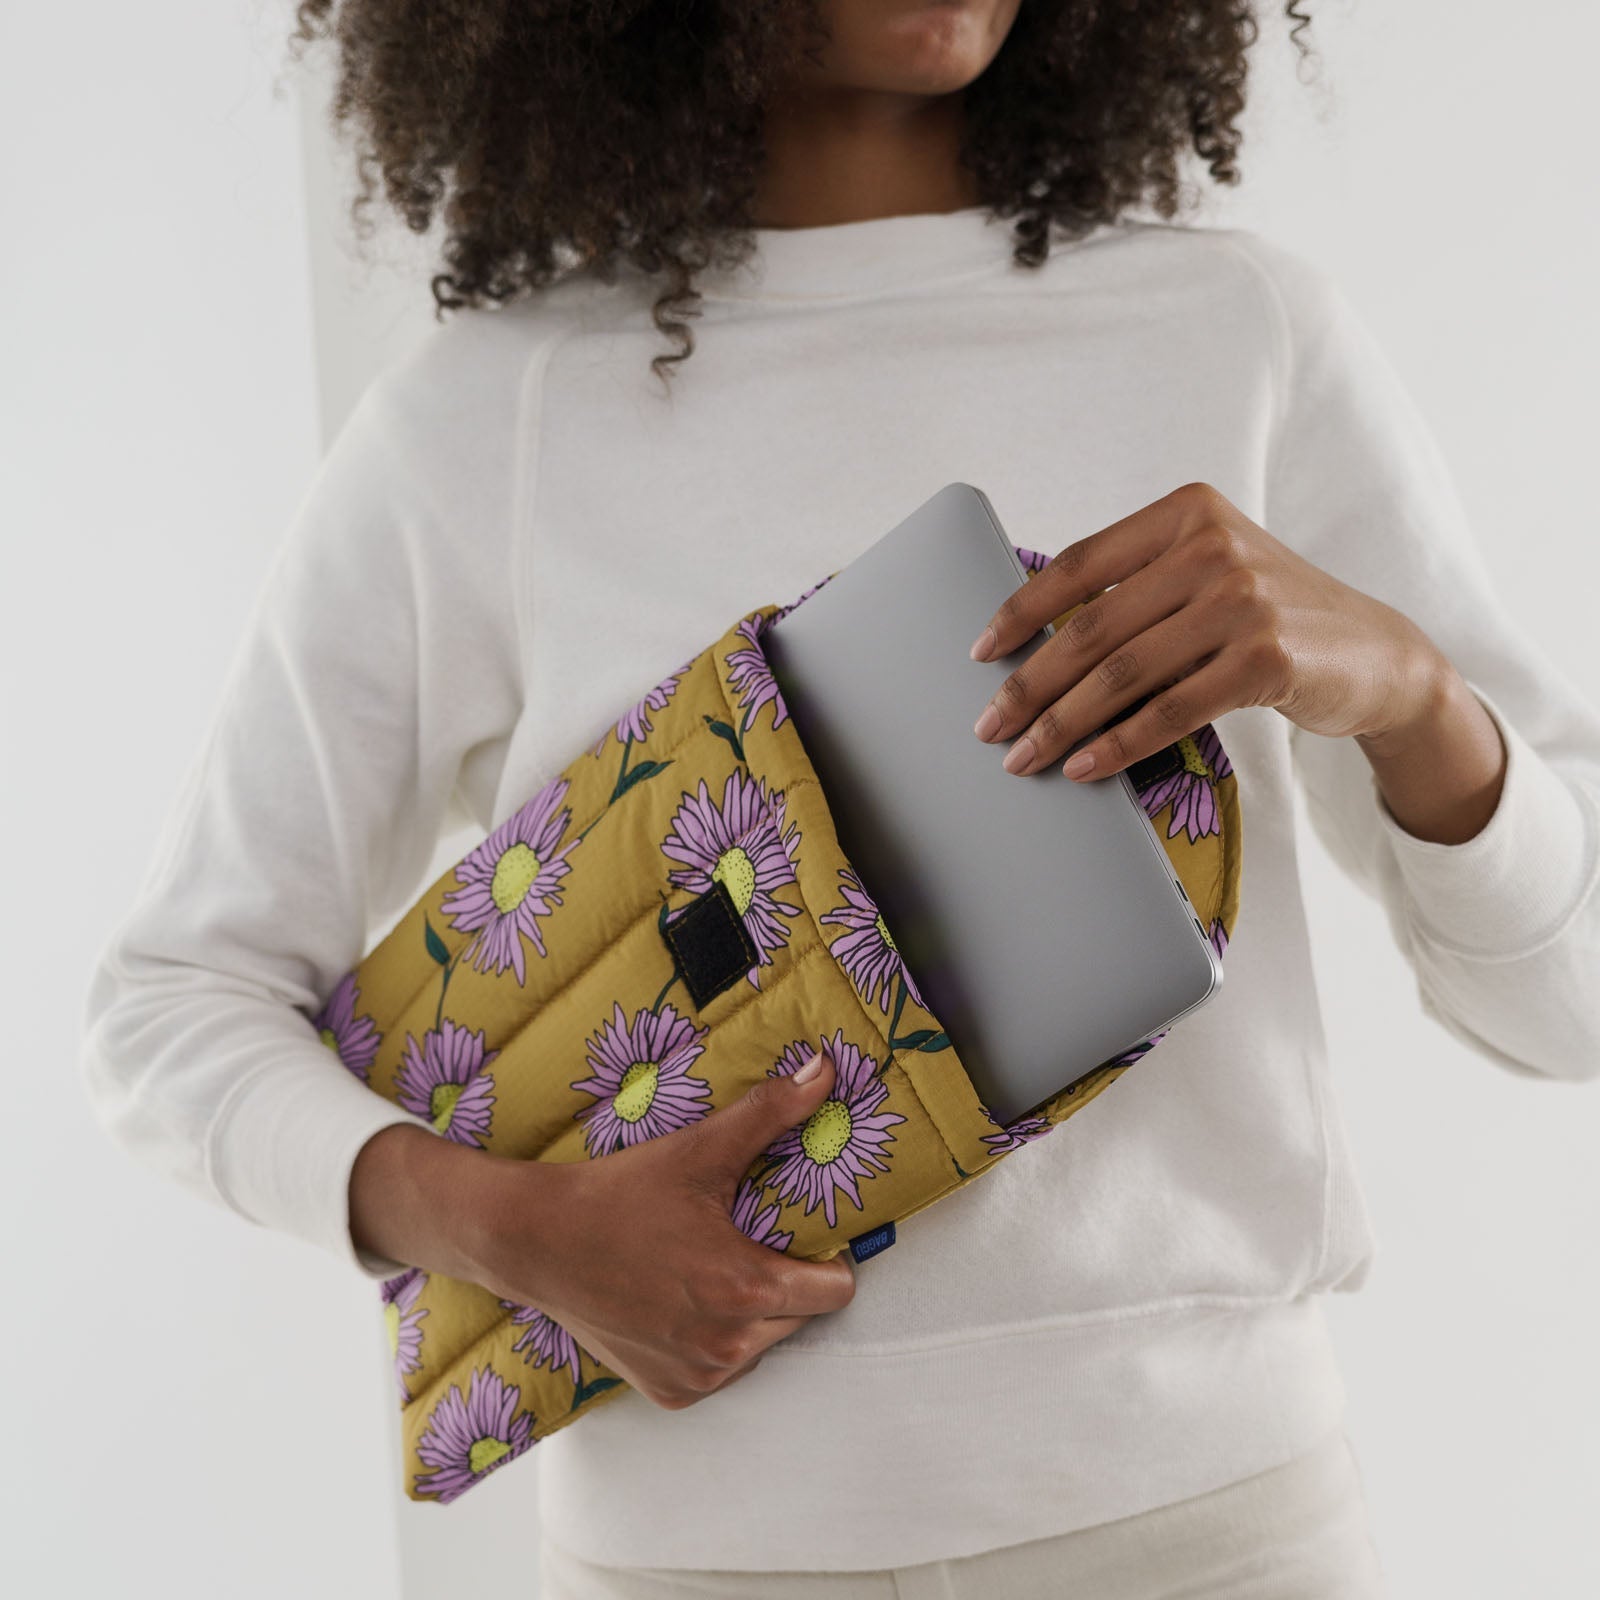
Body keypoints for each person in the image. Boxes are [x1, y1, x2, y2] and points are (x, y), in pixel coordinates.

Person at [80, 1, 1600, 1596]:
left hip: (1217, 1533)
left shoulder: (1241, 335)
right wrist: (507, 1232)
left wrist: (1423, 702)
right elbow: (171, 1004)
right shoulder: (489, 419)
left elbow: (1569, 1006)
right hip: (701, 1561)